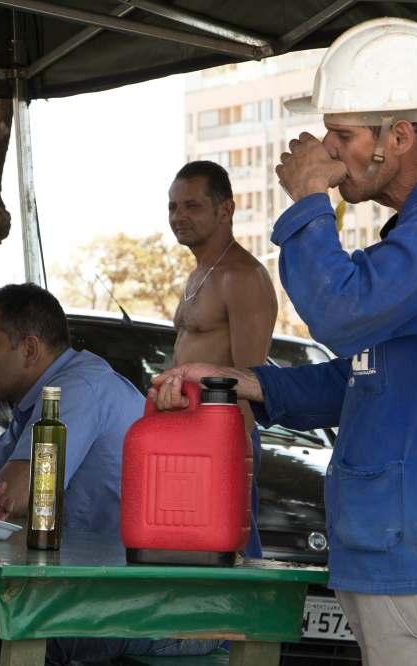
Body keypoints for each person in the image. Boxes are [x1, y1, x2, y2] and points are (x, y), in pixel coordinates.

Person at [151, 17, 417, 666]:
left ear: (401, 136)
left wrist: (307, 199)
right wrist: (251, 381)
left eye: (342, 136)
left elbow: (338, 311)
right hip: (410, 541)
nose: (326, 153)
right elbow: (370, 372)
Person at [0, 283, 218, 665]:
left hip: (162, 609)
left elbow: (11, 497)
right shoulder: (40, 398)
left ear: (31, 349)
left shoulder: (74, 389)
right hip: (112, 594)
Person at [168, 159, 277, 557]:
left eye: (192, 206)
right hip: (187, 439)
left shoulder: (242, 276)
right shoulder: (198, 275)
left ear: (225, 209)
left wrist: (234, 461)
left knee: (233, 561)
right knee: (194, 563)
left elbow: (252, 379)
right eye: (173, 207)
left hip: (224, 443)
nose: (179, 216)